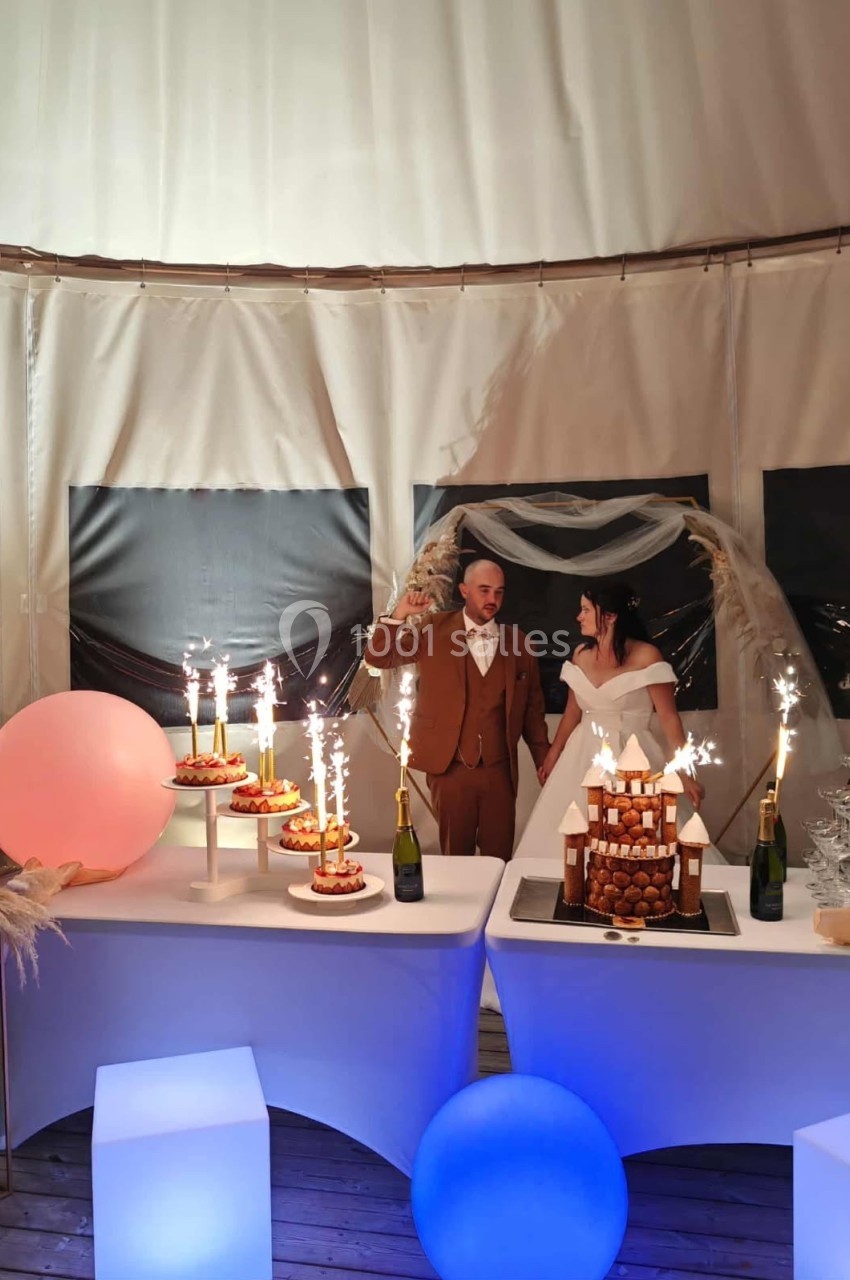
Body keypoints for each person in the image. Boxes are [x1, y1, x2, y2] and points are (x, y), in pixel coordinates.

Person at [515, 579, 723, 863]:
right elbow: (573, 712)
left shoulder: (647, 656)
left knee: (638, 833)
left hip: (633, 756)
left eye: (586, 610)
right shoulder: (579, 654)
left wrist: (684, 772)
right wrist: (553, 755)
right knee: (569, 831)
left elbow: (668, 717)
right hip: (582, 756)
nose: (579, 617)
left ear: (610, 617)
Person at [365, 559, 550, 861]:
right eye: (484, 590)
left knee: (499, 858)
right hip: (449, 768)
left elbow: (532, 710)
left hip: (499, 770)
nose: (492, 600)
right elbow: (378, 657)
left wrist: (545, 760)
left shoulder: (519, 643)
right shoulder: (432, 628)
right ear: (464, 590)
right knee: (456, 858)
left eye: (499, 593)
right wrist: (399, 615)